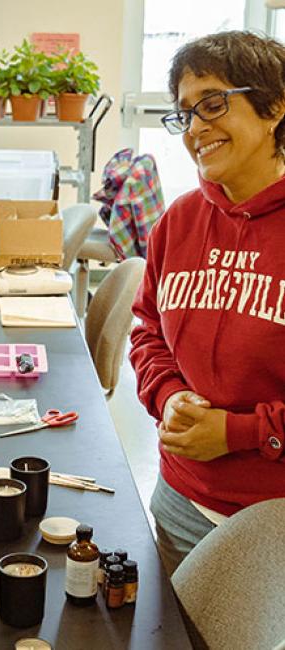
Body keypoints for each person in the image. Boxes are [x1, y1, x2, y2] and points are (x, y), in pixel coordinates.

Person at [130, 30, 285, 576]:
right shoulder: (179, 221)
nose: (196, 129)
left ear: (274, 107)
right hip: (178, 501)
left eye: (214, 103)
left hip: (273, 524)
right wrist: (168, 395)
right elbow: (148, 328)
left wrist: (237, 433)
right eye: (185, 114)